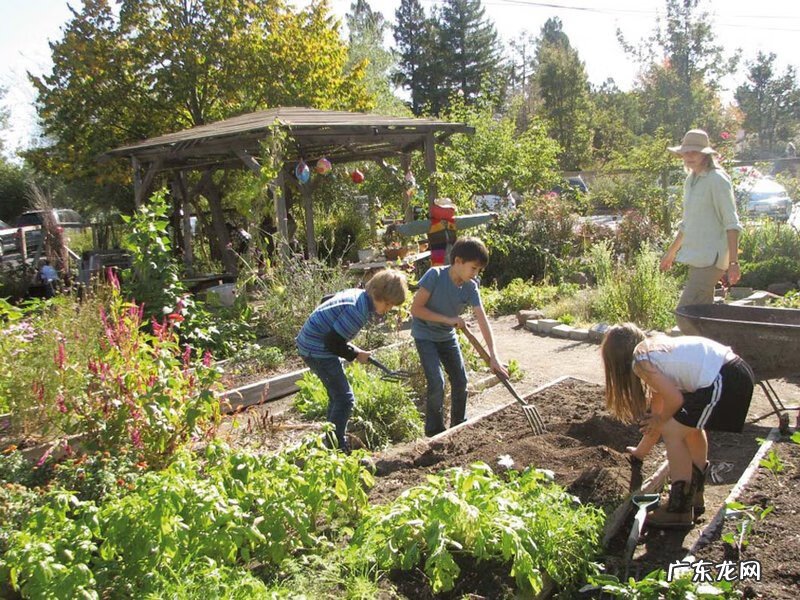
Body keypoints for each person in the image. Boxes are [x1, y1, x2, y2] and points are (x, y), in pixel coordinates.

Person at [601, 323, 755, 529]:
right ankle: (695, 496)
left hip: (725, 379)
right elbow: (658, 411)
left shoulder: (641, 362)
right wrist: (640, 452)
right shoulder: (654, 354)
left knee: (673, 431)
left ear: (616, 360)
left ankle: (679, 509)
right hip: (733, 373)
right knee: (689, 429)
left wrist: (661, 421)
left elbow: (674, 400)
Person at [296, 268, 408, 452]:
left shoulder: (357, 295)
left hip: (312, 343)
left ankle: (330, 440)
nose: (387, 310)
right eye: (387, 304)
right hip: (316, 349)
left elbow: (327, 300)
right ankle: (337, 447)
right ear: (376, 293)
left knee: (337, 395)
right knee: (345, 399)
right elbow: (333, 342)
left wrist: (354, 349)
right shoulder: (359, 311)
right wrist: (355, 354)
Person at [410, 237, 508, 437]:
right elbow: (416, 309)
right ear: (458, 261)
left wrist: (494, 356)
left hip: (447, 336)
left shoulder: (470, 287)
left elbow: (483, 320)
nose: (476, 274)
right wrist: (448, 319)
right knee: (437, 382)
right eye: (473, 268)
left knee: (461, 380)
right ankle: (435, 432)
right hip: (425, 335)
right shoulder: (435, 276)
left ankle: (458, 427)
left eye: (479, 270)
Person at [661, 129, 742, 334]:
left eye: (694, 152)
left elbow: (732, 224)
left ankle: (710, 355)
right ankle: (716, 357)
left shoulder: (717, 180)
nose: (689, 156)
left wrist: (733, 263)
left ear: (705, 154)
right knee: (702, 316)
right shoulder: (691, 181)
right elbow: (687, 224)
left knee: (685, 314)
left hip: (711, 260)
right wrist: (671, 253)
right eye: (686, 152)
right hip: (698, 258)